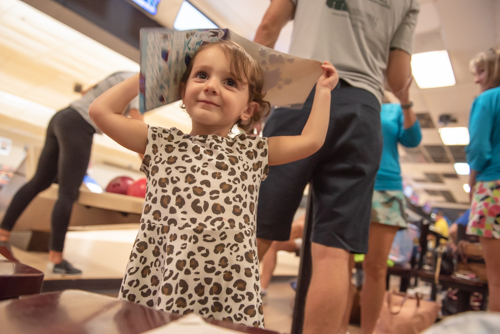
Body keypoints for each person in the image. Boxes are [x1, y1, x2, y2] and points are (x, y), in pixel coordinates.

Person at [89, 40, 339, 327]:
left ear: (248, 109)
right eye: (202, 75)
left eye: (230, 82)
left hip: (227, 284)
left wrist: (322, 92)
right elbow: (101, 112)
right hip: (164, 275)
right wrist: (155, 69)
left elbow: (311, 141)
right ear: (182, 92)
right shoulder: (162, 143)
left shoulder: (252, 152)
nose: (211, 86)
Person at [253, 1, 419, 333]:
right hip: (362, 109)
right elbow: (397, 75)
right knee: (333, 252)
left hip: (300, 88)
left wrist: (253, 92)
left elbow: (270, 26)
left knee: (254, 231)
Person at [0, 71, 142, 274]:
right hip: (79, 124)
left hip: (63, 116)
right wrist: (148, 158)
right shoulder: (140, 82)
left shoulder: (123, 73)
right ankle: (56, 260)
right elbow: (138, 125)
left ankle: (2, 237)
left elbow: (86, 90)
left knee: (39, 182)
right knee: (68, 193)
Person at [339, 93, 422, 334]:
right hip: (352, 185)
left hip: (386, 188)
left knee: (375, 267)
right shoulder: (355, 96)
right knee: (341, 265)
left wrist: (405, 98)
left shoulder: (395, 109)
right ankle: (338, 328)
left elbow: (413, 139)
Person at [466, 47, 500, 312]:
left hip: (492, 187)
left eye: (481, 72)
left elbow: (479, 149)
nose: (477, 79)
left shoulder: (487, 99)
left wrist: (472, 183)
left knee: (497, 282)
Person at [260, 213, 305, 299]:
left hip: (319, 240)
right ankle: (262, 288)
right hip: (303, 238)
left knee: (300, 227)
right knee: (272, 244)